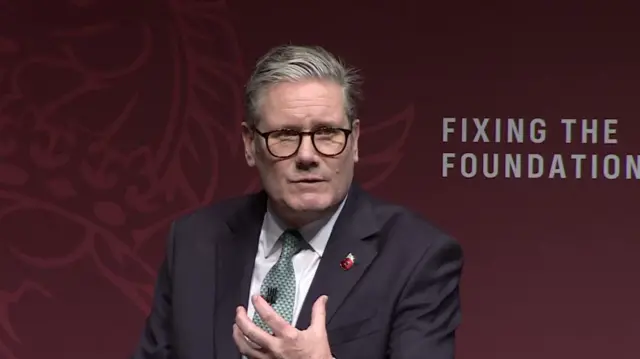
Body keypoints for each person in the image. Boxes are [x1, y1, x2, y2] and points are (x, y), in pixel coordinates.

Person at [130, 44, 464, 359]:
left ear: (356, 141)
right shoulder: (195, 242)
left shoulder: (416, 255)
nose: (307, 155)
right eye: (285, 135)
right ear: (250, 144)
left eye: (327, 133)